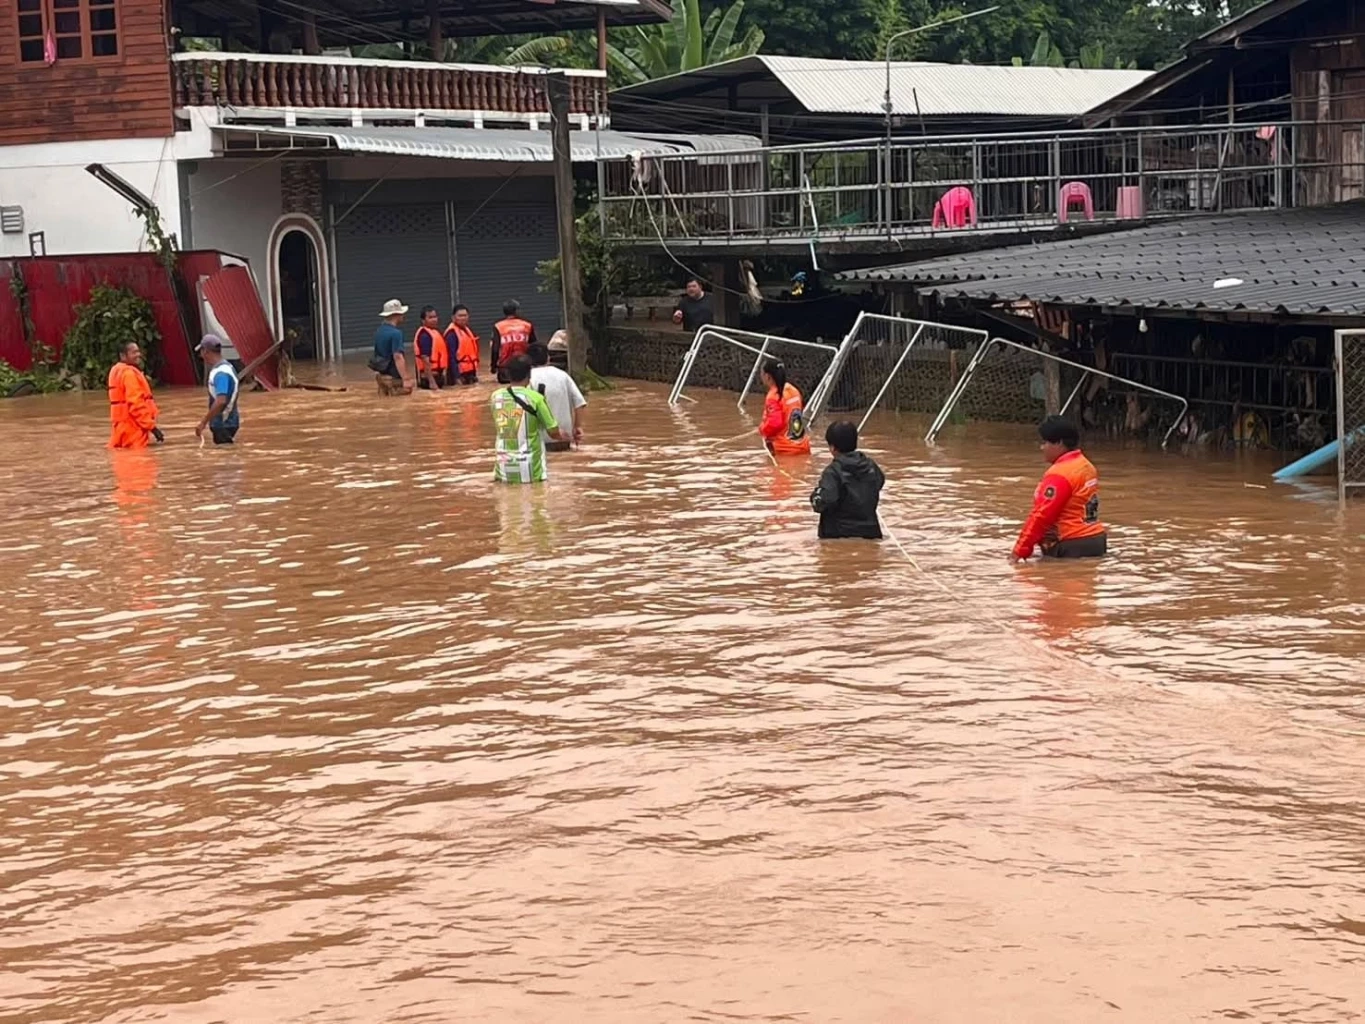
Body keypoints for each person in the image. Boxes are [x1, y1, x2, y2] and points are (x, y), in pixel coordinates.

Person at [1010, 415, 1107, 565]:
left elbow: (1042, 516)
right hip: (1095, 539)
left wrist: (1019, 551)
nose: (1042, 447)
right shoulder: (1086, 465)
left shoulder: (1059, 474)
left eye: (1045, 442)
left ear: (1060, 443)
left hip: (1071, 544)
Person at [490, 354, 567, 484]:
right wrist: (566, 436)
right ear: (529, 375)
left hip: (503, 468)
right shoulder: (536, 398)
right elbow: (553, 432)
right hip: (531, 470)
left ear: (508, 375)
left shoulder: (495, 397)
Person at [810, 421, 885, 540]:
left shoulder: (833, 472)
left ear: (832, 448)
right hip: (870, 533)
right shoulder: (871, 466)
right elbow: (880, 482)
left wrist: (815, 495)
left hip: (837, 536)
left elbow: (822, 502)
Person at [528, 342, 585, 452]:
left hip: (539, 443)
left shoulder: (527, 378)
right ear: (548, 358)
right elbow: (580, 403)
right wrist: (577, 427)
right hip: (564, 440)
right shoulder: (563, 375)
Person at [107, 341, 162, 450]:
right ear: (123, 355)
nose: (138, 355)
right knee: (139, 461)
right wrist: (152, 427)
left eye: (138, 351)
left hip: (121, 428)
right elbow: (136, 405)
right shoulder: (129, 374)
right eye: (134, 352)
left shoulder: (116, 371)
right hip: (133, 429)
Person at [194, 335, 241, 445]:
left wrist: (203, 422)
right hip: (229, 421)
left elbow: (221, 401)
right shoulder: (228, 367)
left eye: (201, 351)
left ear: (206, 351)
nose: (200, 355)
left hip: (223, 423)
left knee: (225, 456)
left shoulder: (221, 373)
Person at [758, 359, 811, 456]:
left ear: (767, 376)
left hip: (784, 450)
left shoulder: (774, 396)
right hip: (803, 446)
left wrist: (762, 429)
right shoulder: (793, 390)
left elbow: (775, 423)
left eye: (761, 372)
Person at [371, 299, 413, 396]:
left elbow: (377, 354)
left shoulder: (379, 331)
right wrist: (406, 379)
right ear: (396, 315)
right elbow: (398, 357)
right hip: (394, 378)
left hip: (382, 377)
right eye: (401, 313)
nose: (403, 315)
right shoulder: (396, 334)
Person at [490, 300, 537, 384]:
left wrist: (493, 367)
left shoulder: (498, 326)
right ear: (517, 311)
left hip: (505, 370)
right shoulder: (527, 325)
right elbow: (534, 347)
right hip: (524, 367)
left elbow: (495, 349)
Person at [412, 305, 449, 390]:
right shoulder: (425, 336)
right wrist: (432, 382)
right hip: (429, 379)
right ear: (423, 320)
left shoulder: (434, 333)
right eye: (430, 317)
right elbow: (425, 359)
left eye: (435, 317)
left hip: (437, 376)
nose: (434, 320)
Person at [445, 304, 480, 386]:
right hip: (458, 375)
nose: (463, 318)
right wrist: (457, 378)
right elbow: (451, 358)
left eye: (465, 315)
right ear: (453, 317)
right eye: (460, 316)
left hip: (469, 373)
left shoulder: (467, 331)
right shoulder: (452, 334)